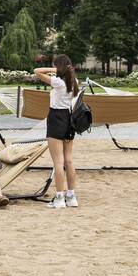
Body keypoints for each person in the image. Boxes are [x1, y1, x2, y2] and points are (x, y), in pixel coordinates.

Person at [33, 55, 79, 209]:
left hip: (56, 118)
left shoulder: (58, 83)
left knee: (58, 162)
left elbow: (37, 71)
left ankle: (59, 197)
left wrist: (54, 69)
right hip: (68, 118)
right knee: (68, 160)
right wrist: (62, 69)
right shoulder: (74, 82)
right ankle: (71, 196)